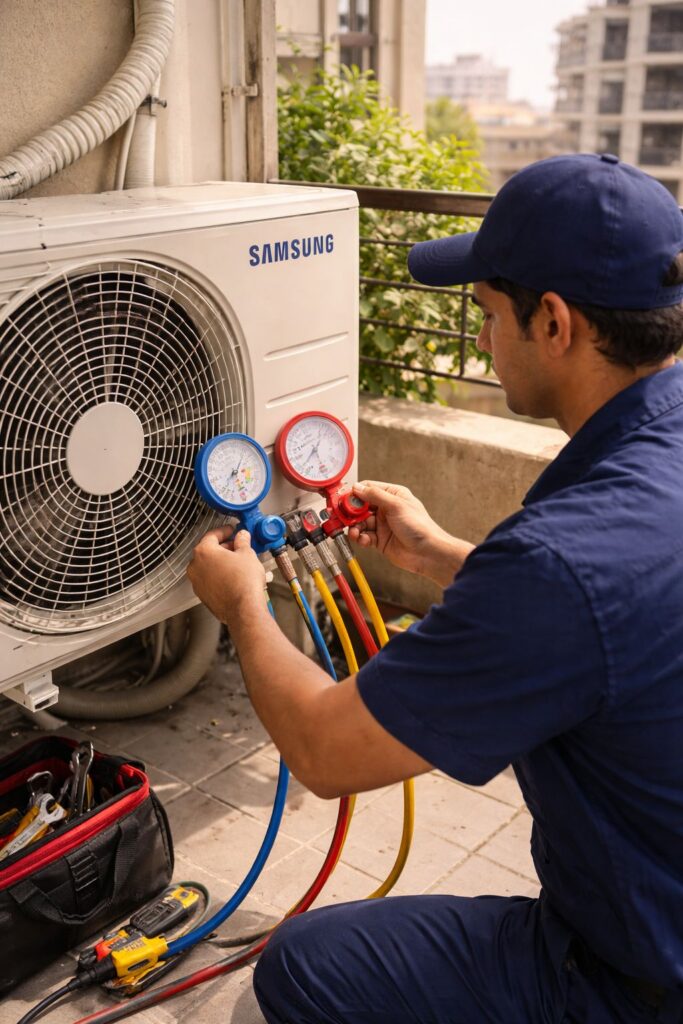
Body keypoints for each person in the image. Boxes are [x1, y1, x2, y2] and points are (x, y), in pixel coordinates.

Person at [187, 153, 683, 1023]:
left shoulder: (557, 566)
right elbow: (614, 618)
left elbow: (324, 751)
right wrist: (444, 556)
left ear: (556, 323)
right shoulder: (640, 478)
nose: (484, 338)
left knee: (304, 969)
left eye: (487, 313)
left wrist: (241, 605)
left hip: (637, 977)